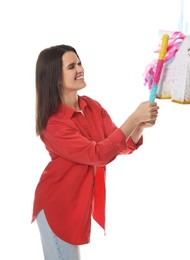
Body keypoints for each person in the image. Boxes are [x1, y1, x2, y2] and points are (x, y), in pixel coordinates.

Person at [32, 44, 159, 260]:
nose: (80, 69)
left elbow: (116, 144)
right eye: (71, 66)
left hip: (75, 204)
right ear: (56, 78)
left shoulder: (91, 106)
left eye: (79, 63)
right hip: (58, 206)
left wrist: (138, 126)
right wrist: (133, 118)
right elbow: (98, 155)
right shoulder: (54, 124)